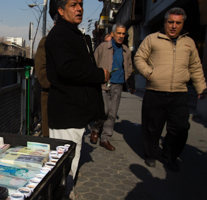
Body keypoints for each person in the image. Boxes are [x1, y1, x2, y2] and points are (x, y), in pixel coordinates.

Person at [45, 0, 110, 198]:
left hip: (74, 111)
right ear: (61, 11)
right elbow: (67, 68)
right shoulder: (60, 35)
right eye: (73, 4)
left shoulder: (71, 33)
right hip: (67, 113)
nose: (80, 8)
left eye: (81, 4)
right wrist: (99, 74)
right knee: (64, 164)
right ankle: (63, 194)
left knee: (69, 160)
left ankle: (65, 192)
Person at [134, 7, 206, 172]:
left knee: (180, 128)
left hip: (179, 95)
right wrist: (150, 74)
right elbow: (139, 58)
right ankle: (151, 154)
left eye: (178, 23)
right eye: (170, 22)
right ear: (165, 22)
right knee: (152, 127)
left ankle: (170, 155)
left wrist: (201, 87)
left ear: (182, 24)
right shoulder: (152, 39)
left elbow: (195, 66)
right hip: (155, 92)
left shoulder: (189, 43)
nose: (174, 26)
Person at [89, 23, 135, 151]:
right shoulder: (103, 47)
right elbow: (93, 63)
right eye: (118, 33)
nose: (120, 36)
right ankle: (95, 129)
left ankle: (105, 138)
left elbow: (129, 68)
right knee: (105, 110)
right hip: (103, 84)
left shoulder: (126, 50)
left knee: (113, 113)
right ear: (113, 34)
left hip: (118, 85)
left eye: (123, 34)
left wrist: (130, 83)